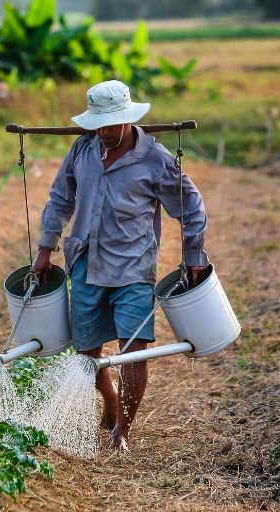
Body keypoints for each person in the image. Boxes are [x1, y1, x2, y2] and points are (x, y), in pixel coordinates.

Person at [31, 80, 210, 451]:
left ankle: (121, 432)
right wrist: (45, 247)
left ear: (128, 120)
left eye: (111, 125)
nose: (105, 132)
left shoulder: (155, 159)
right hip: (85, 262)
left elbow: (191, 208)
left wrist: (193, 255)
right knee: (87, 353)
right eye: (98, 125)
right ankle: (110, 399)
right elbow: (60, 198)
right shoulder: (82, 150)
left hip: (133, 267)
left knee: (134, 349)